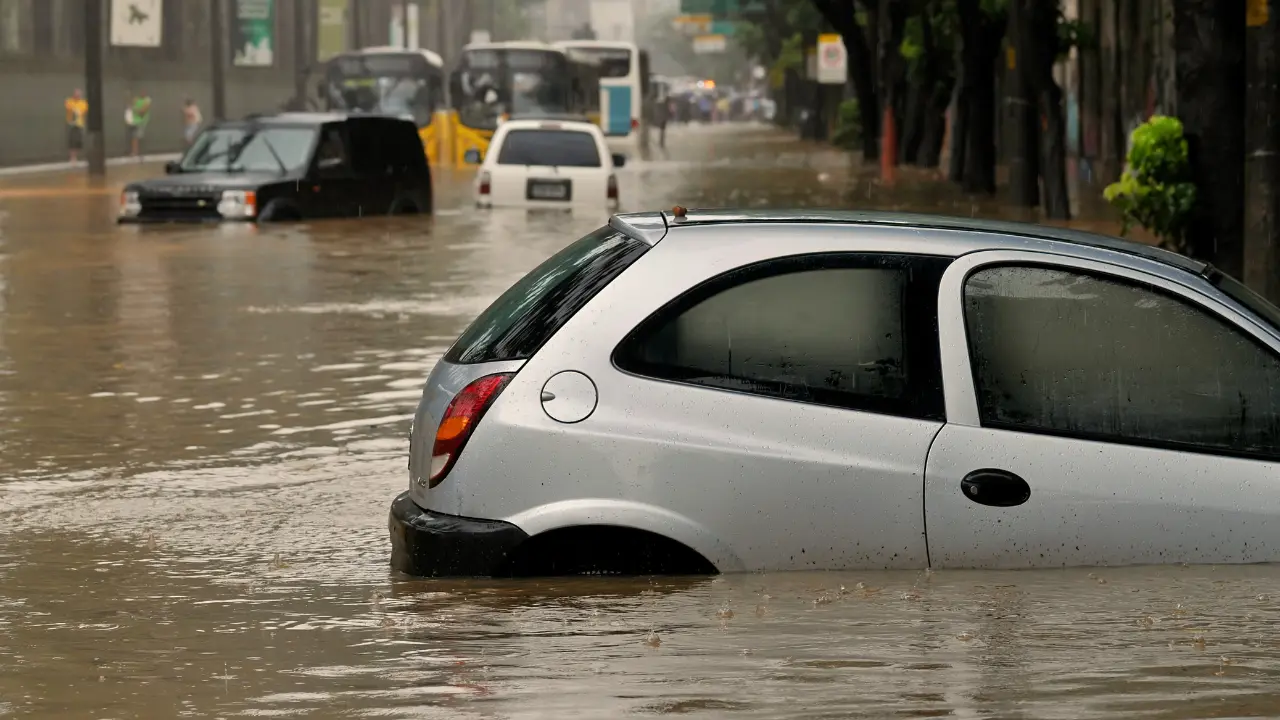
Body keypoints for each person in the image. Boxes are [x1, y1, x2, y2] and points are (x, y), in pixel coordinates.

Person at [64, 89, 87, 162]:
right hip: (71, 124)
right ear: (73, 94)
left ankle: (75, 156)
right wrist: (74, 109)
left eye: (79, 95)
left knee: (78, 141)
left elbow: (82, 111)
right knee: (72, 141)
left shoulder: (83, 103)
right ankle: (72, 158)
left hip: (79, 124)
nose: (77, 96)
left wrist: (76, 110)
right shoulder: (69, 101)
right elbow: (68, 107)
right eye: (76, 94)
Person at [128, 91, 152, 158]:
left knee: (137, 136)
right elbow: (131, 107)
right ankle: (134, 152)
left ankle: (137, 152)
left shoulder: (147, 100)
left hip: (141, 122)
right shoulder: (137, 99)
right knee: (134, 137)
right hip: (134, 121)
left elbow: (142, 112)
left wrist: (135, 108)